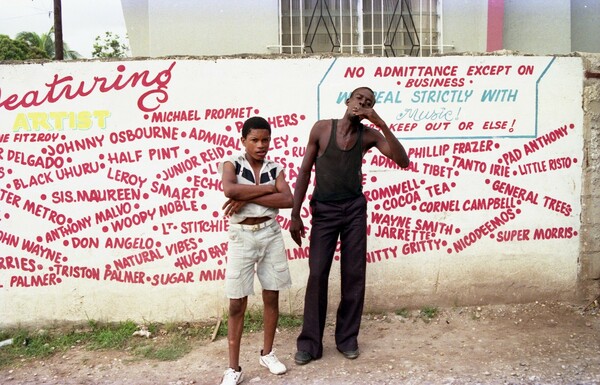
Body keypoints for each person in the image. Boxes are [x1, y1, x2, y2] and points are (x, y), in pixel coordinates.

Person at [290, 86, 410, 365]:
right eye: (360, 99)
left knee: (354, 274)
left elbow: (402, 160)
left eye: (369, 102)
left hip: (354, 209)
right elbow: (305, 170)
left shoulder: (370, 135)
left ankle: (347, 339)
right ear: (347, 101)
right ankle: (309, 344)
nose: (363, 104)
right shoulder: (321, 129)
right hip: (325, 210)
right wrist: (295, 214)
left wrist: (381, 124)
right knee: (318, 273)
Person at [218, 116, 294, 385]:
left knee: (271, 294)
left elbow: (288, 199)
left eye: (265, 140)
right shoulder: (232, 163)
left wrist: (245, 194)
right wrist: (267, 188)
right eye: (255, 140)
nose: (261, 145)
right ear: (243, 141)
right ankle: (233, 368)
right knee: (237, 301)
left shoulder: (275, 167)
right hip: (241, 236)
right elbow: (229, 188)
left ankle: (267, 353)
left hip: (270, 233)